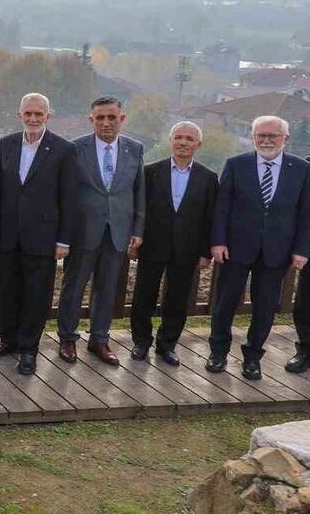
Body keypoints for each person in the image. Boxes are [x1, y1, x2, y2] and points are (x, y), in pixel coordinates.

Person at [208, 115, 310, 380]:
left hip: (277, 252)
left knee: (265, 308)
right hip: (236, 249)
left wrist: (302, 249)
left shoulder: (302, 169)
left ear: (285, 139)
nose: (266, 140)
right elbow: (222, 207)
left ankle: (253, 358)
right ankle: (218, 353)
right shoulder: (235, 164)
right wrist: (218, 241)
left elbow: (305, 213)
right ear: (253, 137)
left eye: (272, 136)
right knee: (225, 304)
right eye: (260, 135)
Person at [0, 93, 76, 375]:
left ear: (48, 116)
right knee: (8, 290)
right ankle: (8, 340)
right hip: (10, 235)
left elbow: (69, 198)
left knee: (36, 295)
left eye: (39, 114)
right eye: (29, 114)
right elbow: (3, 190)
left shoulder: (63, 149)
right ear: (19, 115)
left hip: (44, 238)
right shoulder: (7, 144)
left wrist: (63, 239)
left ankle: (28, 349)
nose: (33, 119)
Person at [56, 96, 145, 366]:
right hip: (83, 232)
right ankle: (68, 339)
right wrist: (64, 235)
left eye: (111, 117)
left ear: (122, 118)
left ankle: (99, 339)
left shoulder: (134, 149)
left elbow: (138, 191)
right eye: (100, 118)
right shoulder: (75, 149)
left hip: (117, 231)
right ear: (91, 119)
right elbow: (66, 194)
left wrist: (137, 229)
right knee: (74, 288)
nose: (106, 123)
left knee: (107, 289)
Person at [129, 121, 216, 366]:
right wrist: (135, 241)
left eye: (189, 139)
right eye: (178, 137)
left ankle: (167, 345)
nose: (183, 142)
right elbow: (139, 210)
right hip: (153, 245)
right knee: (144, 294)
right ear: (171, 141)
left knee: (178, 299)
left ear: (198, 144)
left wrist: (205, 251)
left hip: (187, 249)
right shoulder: (150, 172)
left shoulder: (208, 178)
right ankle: (141, 342)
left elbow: (210, 217)